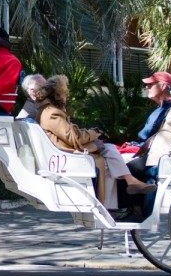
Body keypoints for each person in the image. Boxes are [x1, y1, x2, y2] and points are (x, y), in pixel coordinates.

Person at [35, 75, 156, 212]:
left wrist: (90, 133)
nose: (68, 94)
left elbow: (70, 133)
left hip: (64, 149)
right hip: (66, 153)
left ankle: (126, 187)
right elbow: (72, 137)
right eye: (65, 91)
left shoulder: (49, 111)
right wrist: (93, 134)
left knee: (109, 152)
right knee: (107, 159)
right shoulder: (52, 113)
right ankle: (124, 188)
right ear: (58, 94)